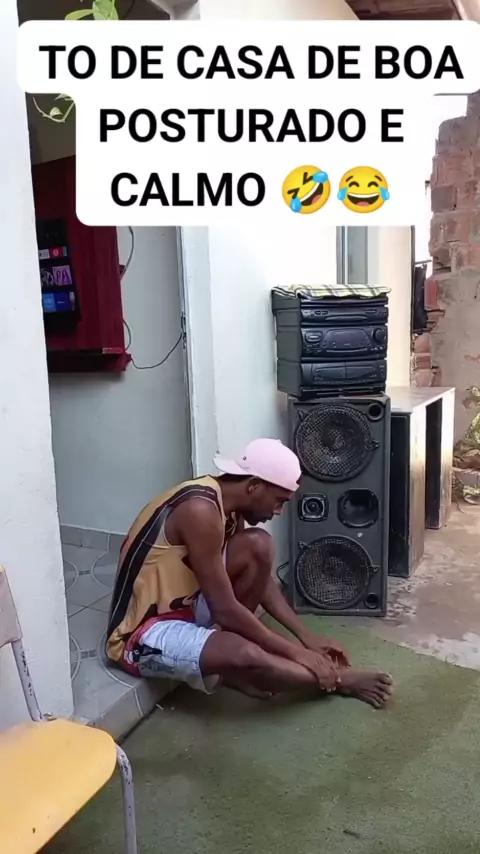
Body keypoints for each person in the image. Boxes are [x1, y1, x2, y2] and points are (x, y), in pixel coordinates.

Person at [106, 438, 394, 709]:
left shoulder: (228, 505)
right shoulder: (199, 510)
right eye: (279, 500)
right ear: (254, 486)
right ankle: (339, 681)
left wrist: (307, 636)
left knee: (258, 545)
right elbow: (225, 609)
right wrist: (297, 652)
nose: (279, 511)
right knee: (245, 653)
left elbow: (262, 582)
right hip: (142, 634)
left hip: (187, 606)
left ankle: (229, 668)